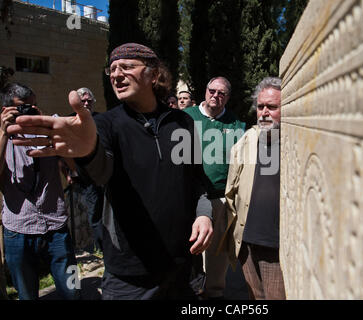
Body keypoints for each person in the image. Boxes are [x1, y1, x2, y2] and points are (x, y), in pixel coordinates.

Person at [7, 43, 213, 300]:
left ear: (154, 74)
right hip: (129, 276)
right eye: (112, 69)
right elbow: (100, 172)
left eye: (126, 67)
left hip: (182, 267)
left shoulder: (183, 122)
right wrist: (87, 152)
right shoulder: (105, 125)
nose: (116, 74)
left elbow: (196, 181)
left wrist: (204, 215)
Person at [0, 82, 80, 300]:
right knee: (26, 295)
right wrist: (3, 133)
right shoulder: (1, 135)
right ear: (6, 110)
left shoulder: (50, 127)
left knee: (72, 290)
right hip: (17, 229)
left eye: (33, 106)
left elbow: (74, 167)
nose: (29, 112)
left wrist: (51, 131)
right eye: (22, 108)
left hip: (56, 227)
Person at [220, 77, 285, 300]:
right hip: (246, 243)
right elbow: (231, 188)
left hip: (277, 247)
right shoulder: (248, 139)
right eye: (260, 106)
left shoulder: (293, 140)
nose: (264, 112)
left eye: (272, 107)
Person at [184, 76, 245, 299]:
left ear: (227, 98)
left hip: (220, 200)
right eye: (212, 90)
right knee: (188, 251)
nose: (215, 96)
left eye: (221, 93)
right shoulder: (186, 117)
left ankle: (214, 295)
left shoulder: (235, 123)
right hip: (189, 199)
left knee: (217, 256)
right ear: (205, 91)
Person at [62, 87, 104, 252]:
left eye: (89, 101)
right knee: (95, 213)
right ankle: (102, 248)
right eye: (83, 100)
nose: (86, 103)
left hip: (104, 172)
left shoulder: (101, 119)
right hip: (86, 176)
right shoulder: (71, 121)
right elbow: (63, 153)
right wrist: (69, 172)